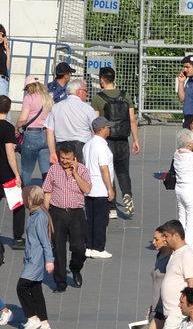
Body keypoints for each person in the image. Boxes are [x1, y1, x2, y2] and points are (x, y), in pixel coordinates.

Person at [91, 67, 141, 218]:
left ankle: (112, 208)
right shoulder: (125, 96)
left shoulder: (98, 98)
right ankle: (127, 197)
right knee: (123, 172)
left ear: (102, 80)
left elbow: (97, 122)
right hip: (123, 140)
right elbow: (132, 120)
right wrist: (136, 140)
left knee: (109, 172)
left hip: (107, 141)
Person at [42, 143, 91, 292]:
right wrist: (44, 213)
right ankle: (60, 283)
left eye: (67, 158)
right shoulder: (53, 169)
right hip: (57, 213)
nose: (64, 161)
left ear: (74, 157)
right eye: (62, 157)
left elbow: (87, 189)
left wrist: (75, 173)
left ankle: (75, 268)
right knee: (58, 249)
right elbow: (47, 191)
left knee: (79, 248)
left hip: (76, 214)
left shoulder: (82, 170)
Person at [16, 186, 54, 329]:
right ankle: (44, 322)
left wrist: (49, 261)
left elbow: (45, 242)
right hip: (32, 259)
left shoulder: (39, 217)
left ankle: (33, 318)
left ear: (30, 200)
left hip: (35, 260)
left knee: (21, 287)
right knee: (36, 289)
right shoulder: (36, 214)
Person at [83, 117, 115, 259]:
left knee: (90, 219)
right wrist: (110, 188)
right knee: (101, 220)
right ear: (101, 129)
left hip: (89, 188)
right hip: (100, 188)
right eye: (108, 127)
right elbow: (104, 168)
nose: (109, 129)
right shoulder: (101, 146)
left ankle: (88, 246)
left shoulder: (88, 144)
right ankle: (99, 248)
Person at [159, 220, 193, 329]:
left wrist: (189, 309)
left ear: (176, 235)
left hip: (178, 315)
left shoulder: (187, 255)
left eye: (166, 236)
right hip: (172, 314)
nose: (164, 239)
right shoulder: (176, 253)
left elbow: (192, 283)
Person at [45, 79, 96, 163]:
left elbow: (49, 131)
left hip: (61, 147)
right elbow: (95, 131)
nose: (87, 94)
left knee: (61, 174)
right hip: (81, 147)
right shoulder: (87, 109)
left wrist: (52, 152)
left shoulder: (56, 107)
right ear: (79, 91)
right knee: (79, 174)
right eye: (86, 90)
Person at [16, 78, 53, 186]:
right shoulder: (47, 97)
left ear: (29, 87)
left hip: (32, 134)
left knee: (27, 170)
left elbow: (23, 119)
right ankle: (46, 195)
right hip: (46, 134)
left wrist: (16, 127)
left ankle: (27, 195)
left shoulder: (29, 98)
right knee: (45, 169)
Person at [0, 95, 26, 250]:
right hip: (6, 173)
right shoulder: (8, 128)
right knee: (17, 205)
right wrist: (16, 174)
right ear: (9, 109)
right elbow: (10, 153)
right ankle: (17, 238)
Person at [149, 226, 172, 329]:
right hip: (156, 308)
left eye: (156, 239)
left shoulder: (172, 259)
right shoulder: (159, 254)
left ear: (165, 239)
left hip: (164, 308)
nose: (153, 242)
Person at [0, 24, 10, 97]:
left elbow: (7, 67)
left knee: (3, 106)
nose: (1, 37)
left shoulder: (2, 50)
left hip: (4, 81)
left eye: (3, 35)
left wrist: (7, 51)